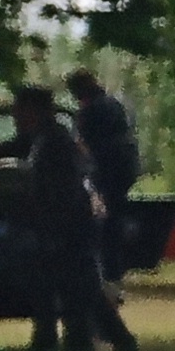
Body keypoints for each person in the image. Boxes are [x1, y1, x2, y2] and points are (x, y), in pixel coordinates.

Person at [9, 86, 134, 351]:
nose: (16, 116)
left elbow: (61, 191)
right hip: (66, 225)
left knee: (81, 288)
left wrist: (52, 225)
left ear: (33, 111)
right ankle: (72, 341)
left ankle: (109, 340)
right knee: (67, 287)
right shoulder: (45, 138)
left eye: (19, 110)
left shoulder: (55, 142)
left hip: (70, 225)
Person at [61, 67, 140, 279]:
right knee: (114, 218)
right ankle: (113, 268)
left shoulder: (89, 111)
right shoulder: (113, 104)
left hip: (106, 170)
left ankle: (108, 269)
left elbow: (82, 145)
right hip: (123, 168)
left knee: (105, 221)